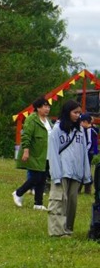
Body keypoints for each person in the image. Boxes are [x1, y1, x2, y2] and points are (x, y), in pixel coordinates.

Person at [47, 100, 92, 237]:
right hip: (62, 172)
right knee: (59, 200)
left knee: (72, 203)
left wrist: (86, 174)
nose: (78, 115)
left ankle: (67, 229)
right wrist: (56, 174)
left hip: (76, 173)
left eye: (79, 113)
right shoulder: (57, 129)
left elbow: (84, 152)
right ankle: (57, 231)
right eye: (75, 112)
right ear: (67, 112)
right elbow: (53, 153)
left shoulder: (80, 131)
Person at [13, 97, 51, 210]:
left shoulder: (48, 121)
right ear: (38, 108)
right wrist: (26, 150)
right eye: (44, 106)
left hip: (46, 154)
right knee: (36, 178)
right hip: (35, 153)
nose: (47, 109)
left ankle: (38, 203)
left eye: (48, 106)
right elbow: (26, 136)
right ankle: (18, 193)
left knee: (42, 178)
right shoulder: (31, 119)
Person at [78, 113, 98, 195]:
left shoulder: (89, 130)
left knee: (84, 169)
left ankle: (85, 188)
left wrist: (85, 151)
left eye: (81, 122)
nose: (80, 124)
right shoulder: (92, 129)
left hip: (88, 153)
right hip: (90, 153)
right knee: (86, 169)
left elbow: (89, 142)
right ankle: (85, 188)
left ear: (85, 122)